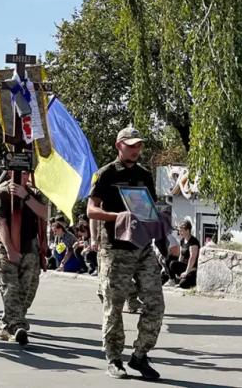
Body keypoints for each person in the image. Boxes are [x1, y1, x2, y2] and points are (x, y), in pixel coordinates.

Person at [87, 127, 166, 380]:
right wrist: (117, 216)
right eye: (131, 145)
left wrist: (159, 217)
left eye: (139, 145)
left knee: (155, 304)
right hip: (115, 249)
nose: (136, 150)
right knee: (114, 306)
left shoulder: (144, 174)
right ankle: (114, 358)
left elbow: (149, 206)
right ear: (118, 145)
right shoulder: (105, 174)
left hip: (142, 247)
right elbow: (91, 210)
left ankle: (140, 356)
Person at [0, 170, 48, 346]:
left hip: (30, 247)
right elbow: (0, 222)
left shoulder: (35, 194)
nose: (23, 177)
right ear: (11, 173)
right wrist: (9, 249)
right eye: (20, 173)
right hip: (6, 247)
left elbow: (44, 214)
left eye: (26, 173)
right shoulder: (2, 192)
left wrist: (25, 196)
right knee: (10, 289)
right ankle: (17, 326)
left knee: (27, 292)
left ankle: (7, 325)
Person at [168, 220, 200, 289]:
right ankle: (174, 279)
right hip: (183, 266)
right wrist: (177, 272)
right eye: (179, 231)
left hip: (191, 269)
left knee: (183, 284)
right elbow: (181, 255)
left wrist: (186, 272)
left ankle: (185, 279)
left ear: (187, 230)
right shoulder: (182, 241)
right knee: (170, 261)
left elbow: (192, 258)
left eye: (181, 231)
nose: (180, 233)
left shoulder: (193, 242)